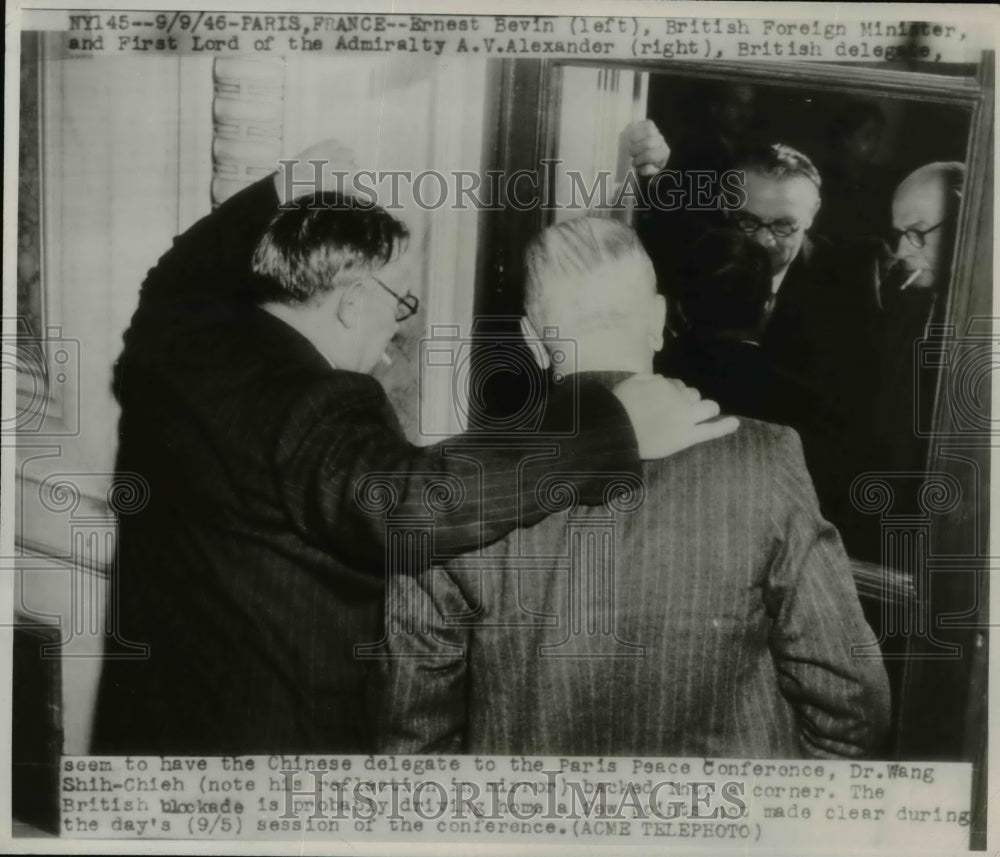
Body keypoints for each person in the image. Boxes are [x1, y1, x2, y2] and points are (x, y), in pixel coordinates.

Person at [91, 142, 735, 755]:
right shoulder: (315, 406)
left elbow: (174, 276)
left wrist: (275, 192)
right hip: (270, 746)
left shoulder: (179, 343)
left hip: (150, 721)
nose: (398, 333)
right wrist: (615, 429)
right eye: (401, 304)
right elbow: (410, 504)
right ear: (348, 303)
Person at [374, 216, 890, 759]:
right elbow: (852, 700)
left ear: (530, 339)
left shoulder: (453, 485)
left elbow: (412, 733)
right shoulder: (765, 460)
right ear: (658, 320)